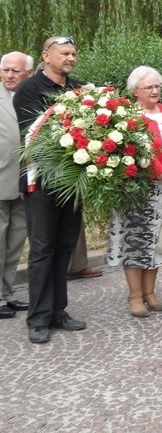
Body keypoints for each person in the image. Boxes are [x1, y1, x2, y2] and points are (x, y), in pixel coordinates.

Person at [13, 36, 86, 344]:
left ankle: (59, 311)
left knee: (65, 246)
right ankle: (38, 318)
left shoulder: (80, 88)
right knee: (42, 249)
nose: (70, 58)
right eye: (64, 53)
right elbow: (36, 137)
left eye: (73, 53)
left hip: (72, 182)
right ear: (46, 56)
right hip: (40, 181)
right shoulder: (29, 89)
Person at [105, 66, 162, 318]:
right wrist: (161, 173)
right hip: (139, 187)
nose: (154, 91)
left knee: (156, 242)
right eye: (148, 87)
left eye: (157, 86)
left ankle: (150, 293)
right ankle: (135, 296)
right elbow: (138, 150)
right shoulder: (129, 116)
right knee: (137, 241)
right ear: (135, 91)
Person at [0, 52, 33, 319]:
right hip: (1, 180)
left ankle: (7, 294)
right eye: (5, 70)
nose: (10, 75)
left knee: (14, 243)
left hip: (26, 182)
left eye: (16, 71)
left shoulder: (32, 97)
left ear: (29, 73)